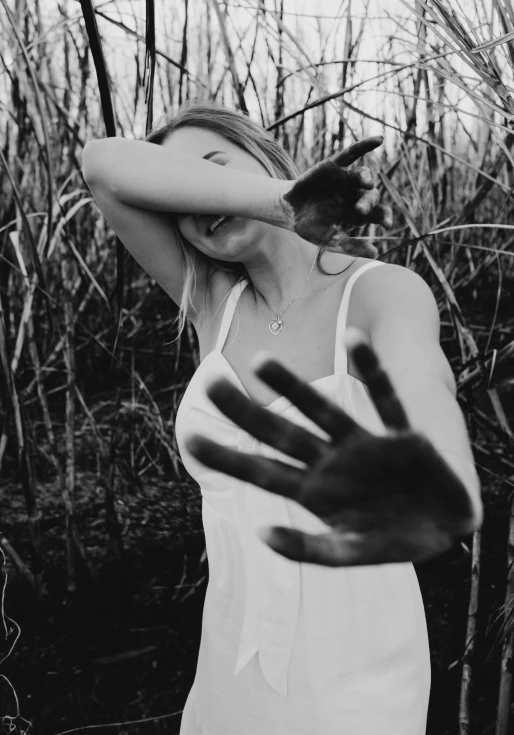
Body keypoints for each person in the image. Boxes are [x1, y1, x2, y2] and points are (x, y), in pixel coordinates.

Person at [82, 101, 482, 735]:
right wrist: (280, 201)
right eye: (183, 195)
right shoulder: (215, 307)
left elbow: (421, 376)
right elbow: (101, 164)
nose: (203, 204)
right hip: (230, 661)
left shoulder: (378, 291)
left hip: (355, 670)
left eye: (215, 168)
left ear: (266, 157)